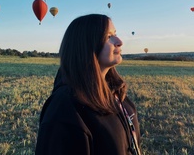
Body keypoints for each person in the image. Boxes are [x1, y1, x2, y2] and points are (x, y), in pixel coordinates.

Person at [35, 14, 142, 155]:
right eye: (108, 36)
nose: (119, 41)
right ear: (86, 45)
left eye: (115, 34)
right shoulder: (64, 109)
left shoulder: (116, 93)